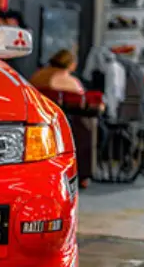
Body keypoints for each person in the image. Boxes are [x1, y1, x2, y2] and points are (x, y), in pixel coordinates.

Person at [30, 49, 95, 189]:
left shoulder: (38, 75)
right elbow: (80, 99)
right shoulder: (69, 80)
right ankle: (83, 175)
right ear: (71, 64)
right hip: (66, 123)